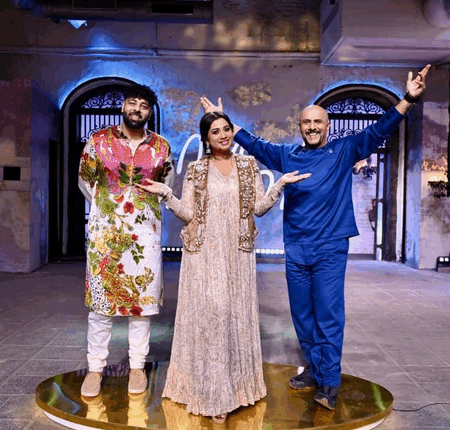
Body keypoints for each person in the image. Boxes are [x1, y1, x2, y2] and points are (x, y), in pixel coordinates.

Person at [200, 64, 430, 410]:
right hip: (296, 248)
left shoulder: (344, 150)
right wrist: (223, 119)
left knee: (328, 315)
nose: (311, 127)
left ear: (327, 126)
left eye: (317, 122)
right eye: (306, 122)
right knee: (303, 316)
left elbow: (379, 129)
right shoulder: (288, 155)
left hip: (330, 248)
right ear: (300, 126)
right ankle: (314, 367)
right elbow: (255, 144)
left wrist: (408, 99)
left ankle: (329, 382)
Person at [137, 111, 311, 423]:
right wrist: (166, 194)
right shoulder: (197, 169)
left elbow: (258, 208)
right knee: (213, 318)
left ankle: (237, 389)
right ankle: (213, 394)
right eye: (215, 131)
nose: (223, 135)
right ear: (206, 138)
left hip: (238, 256)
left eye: (226, 129)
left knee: (233, 318)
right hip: (204, 255)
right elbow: (188, 213)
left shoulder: (248, 165)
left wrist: (280, 184)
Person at [78, 84, 175, 397]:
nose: (137, 109)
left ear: (150, 112)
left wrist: (144, 211)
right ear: (123, 106)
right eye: (132, 103)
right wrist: (107, 210)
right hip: (106, 235)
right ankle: (95, 368)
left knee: (142, 306)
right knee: (101, 306)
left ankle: (137, 366)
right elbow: (85, 180)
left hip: (145, 236)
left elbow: (166, 185)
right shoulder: (98, 141)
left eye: (144, 106)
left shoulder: (161, 146)